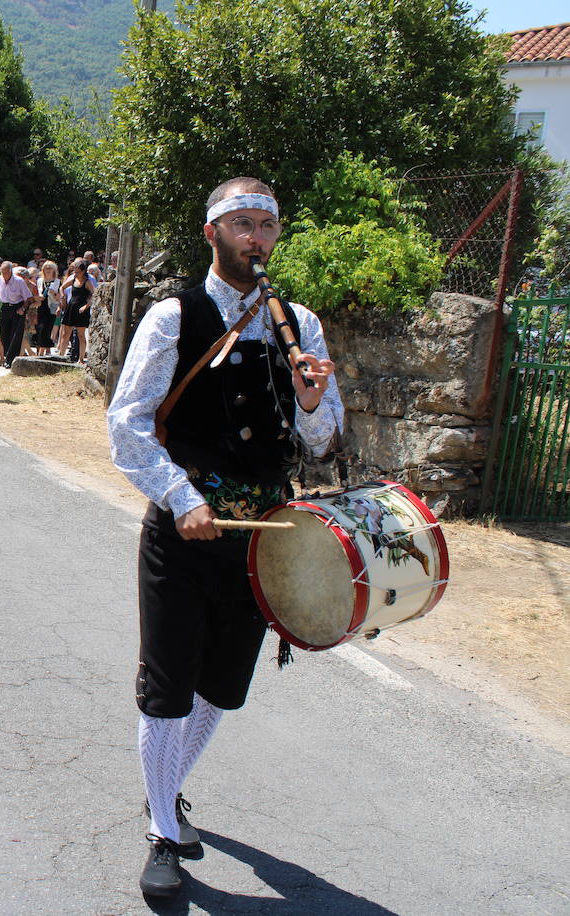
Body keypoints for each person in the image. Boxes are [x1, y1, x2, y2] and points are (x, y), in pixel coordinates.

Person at [106, 177, 343, 899]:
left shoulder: (298, 322)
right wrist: (180, 498)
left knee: (222, 689)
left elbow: (324, 437)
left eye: (267, 224)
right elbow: (127, 423)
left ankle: (166, 789)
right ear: (211, 232)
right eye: (241, 222)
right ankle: (162, 833)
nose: (256, 236)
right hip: (183, 533)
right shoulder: (174, 315)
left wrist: (310, 399)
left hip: (260, 535)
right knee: (167, 688)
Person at [0, 261, 33, 369]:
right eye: (2, 272)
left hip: (17, 307)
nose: (4, 275)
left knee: (15, 335)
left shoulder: (19, 281)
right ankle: (8, 356)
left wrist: (23, 308)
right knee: (4, 335)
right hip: (5, 307)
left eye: (6, 272)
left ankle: (10, 360)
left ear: (10, 271)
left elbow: (28, 298)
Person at [59, 258, 96, 363]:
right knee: (66, 334)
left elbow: (94, 295)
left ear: (83, 271)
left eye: (77, 271)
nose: (75, 273)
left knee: (80, 335)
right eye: (74, 271)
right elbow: (62, 287)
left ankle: (81, 358)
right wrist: (63, 297)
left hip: (81, 310)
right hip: (71, 307)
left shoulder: (87, 282)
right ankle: (61, 356)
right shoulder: (73, 279)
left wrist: (86, 306)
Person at [34, 260, 62, 357]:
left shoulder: (58, 282)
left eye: (50, 268)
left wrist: (54, 293)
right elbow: (36, 294)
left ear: (54, 270)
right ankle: (42, 351)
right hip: (41, 306)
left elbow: (60, 297)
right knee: (41, 328)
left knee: (47, 328)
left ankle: (43, 351)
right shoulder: (40, 281)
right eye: (46, 268)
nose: (48, 270)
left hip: (52, 308)